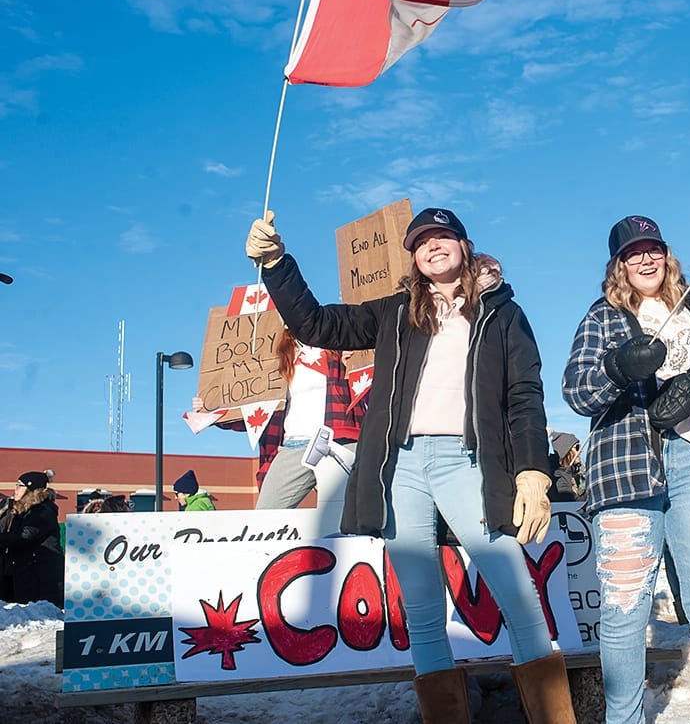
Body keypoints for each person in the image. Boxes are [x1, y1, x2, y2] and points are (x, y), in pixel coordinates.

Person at [246, 206, 574, 724]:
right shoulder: (396, 312)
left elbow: (525, 395)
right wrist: (277, 264)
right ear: (414, 258)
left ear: (464, 245)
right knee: (421, 609)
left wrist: (534, 470)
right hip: (401, 465)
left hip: (469, 463)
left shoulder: (502, 313)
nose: (433, 246)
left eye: (443, 236)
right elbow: (316, 323)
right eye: (422, 242)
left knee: (518, 592)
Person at [563, 214, 690, 724]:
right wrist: (618, 367)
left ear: (666, 255)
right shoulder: (601, 317)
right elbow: (577, 391)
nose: (645, 258)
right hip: (626, 467)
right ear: (619, 266)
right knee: (625, 611)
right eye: (633, 253)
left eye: (653, 248)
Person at [192, 327, 362, 535]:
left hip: (338, 441)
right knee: (265, 518)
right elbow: (253, 408)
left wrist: (355, 358)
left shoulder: (335, 341)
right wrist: (211, 408)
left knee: (350, 521)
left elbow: (368, 378)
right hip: (295, 445)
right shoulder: (273, 358)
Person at [0, 471, 64, 606]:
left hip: (39, 577)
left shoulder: (43, 511)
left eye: (19, 485)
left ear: (31, 489)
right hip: (19, 573)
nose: (15, 490)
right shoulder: (18, 509)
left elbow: (24, 536)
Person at [548, 431, 585, 502]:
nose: (580, 450)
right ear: (566, 452)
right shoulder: (559, 478)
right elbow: (570, 503)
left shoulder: (574, 474)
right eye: (577, 447)